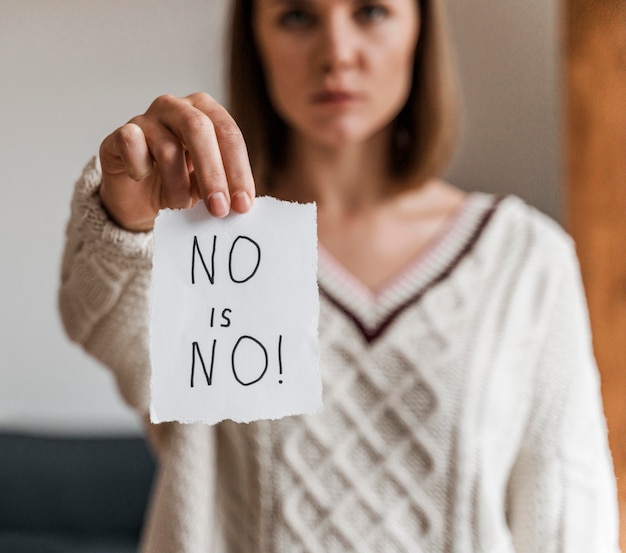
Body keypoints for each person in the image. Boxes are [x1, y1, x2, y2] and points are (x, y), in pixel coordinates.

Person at [59, 0, 620, 551]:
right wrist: (125, 219)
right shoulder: (206, 242)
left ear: (419, 29)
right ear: (254, 39)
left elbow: (569, 518)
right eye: (298, 16)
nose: (337, 54)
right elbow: (105, 330)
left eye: (371, 11)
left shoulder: (524, 259)